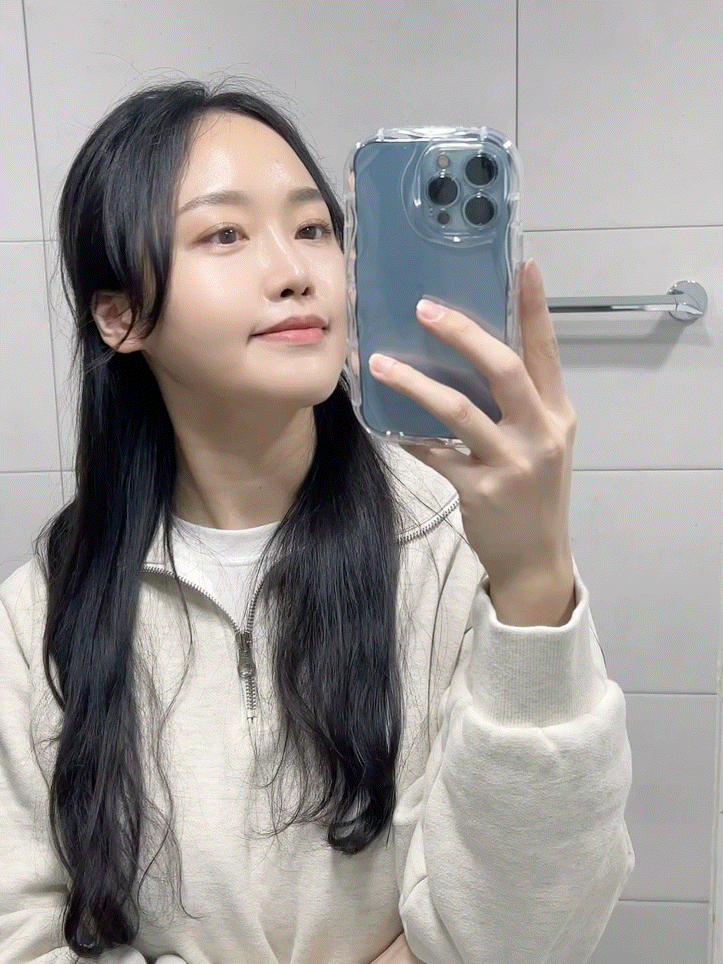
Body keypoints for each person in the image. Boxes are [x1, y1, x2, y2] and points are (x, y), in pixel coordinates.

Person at [0, 78, 634, 964]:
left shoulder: (457, 545)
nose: (296, 271)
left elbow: (526, 935)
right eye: (225, 234)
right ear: (122, 315)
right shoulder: (39, 616)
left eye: (312, 228)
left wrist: (533, 585)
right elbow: (21, 931)